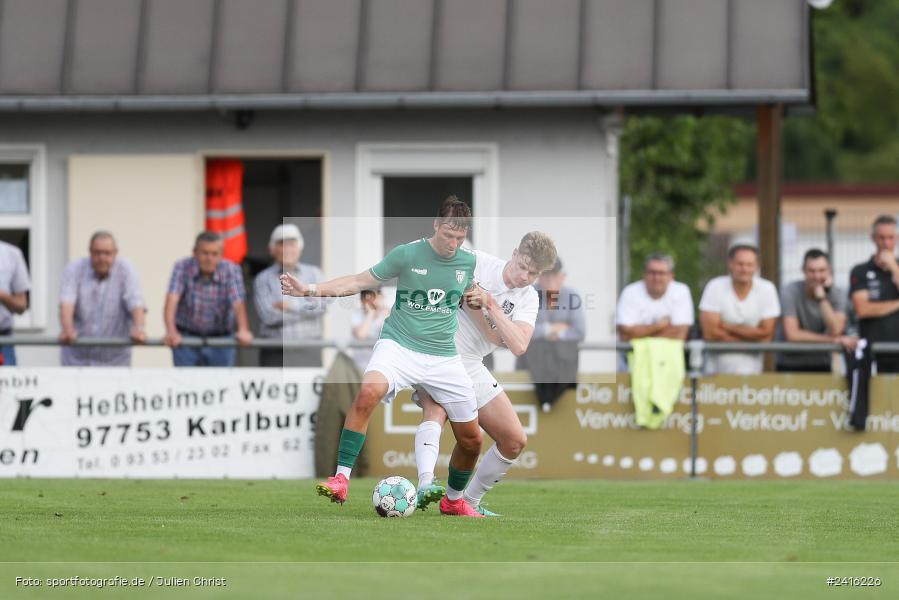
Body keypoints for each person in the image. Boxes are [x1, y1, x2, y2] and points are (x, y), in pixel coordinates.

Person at [281, 196, 485, 517]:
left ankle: (453, 501)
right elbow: (357, 281)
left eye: (459, 238)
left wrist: (478, 299)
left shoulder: (467, 262)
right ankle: (341, 479)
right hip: (399, 345)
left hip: (444, 356)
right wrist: (308, 289)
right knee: (368, 392)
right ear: (435, 225)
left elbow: (467, 293)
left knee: (472, 440)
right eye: (448, 235)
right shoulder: (407, 254)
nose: (453, 244)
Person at [411, 232, 558, 517]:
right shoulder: (476, 262)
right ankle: (425, 485)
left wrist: (490, 303)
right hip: (438, 351)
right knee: (437, 409)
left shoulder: (529, 298)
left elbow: (519, 345)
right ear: (514, 253)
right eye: (522, 266)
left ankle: (468, 501)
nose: (524, 276)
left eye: (533, 273)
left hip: (471, 363)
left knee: (514, 440)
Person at [163, 231, 253, 366]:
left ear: (221, 255)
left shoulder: (231, 269)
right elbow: (172, 299)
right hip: (186, 339)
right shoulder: (181, 267)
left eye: (214, 254)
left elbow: (238, 301)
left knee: (221, 379)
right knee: (185, 379)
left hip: (221, 339)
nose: (209, 259)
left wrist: (243, 329)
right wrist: (171, 331)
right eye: (205, 253)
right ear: (194, 253)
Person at [58, 231, 147, 366]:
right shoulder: (74, 269)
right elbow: (66, 302)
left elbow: (136, 301)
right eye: (97, 253)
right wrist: (67, 329)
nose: (102, 258)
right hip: (78, 360)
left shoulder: (126, 270)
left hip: (115, 362)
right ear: (90, 252)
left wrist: (138, 328)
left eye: (107, 253)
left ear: (115, 253)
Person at [516, 257, 585, 412]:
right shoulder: (528, 293)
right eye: (546, 275)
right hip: (531, 365)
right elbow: (520, 329)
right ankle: (545, 397)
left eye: (554, 275)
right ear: (539, 276)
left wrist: (558, 335)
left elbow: (580, 332)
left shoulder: (572, 295)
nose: (550, 280)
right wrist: (550, 329)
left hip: (561, 364)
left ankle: (550, 397)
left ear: (562, 277)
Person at [699, 244, 781, 374]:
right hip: (714, 371)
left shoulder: (767, 289)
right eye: (740, 264)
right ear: (730, 264)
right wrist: (752, 337)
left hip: (753, 371)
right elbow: (710, 334)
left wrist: (728, 327)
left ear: (757, 266)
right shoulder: (715, 286)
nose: (745, 269)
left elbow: (766, 336)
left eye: (749, 264)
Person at [254, 224, 328, 367]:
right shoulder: (262, 279)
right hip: (275, 352)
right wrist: (308, 309)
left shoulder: (315, 274)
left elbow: (322, 306)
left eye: (291, 244)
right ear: (272, 249)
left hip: (309, 350)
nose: (287, 249)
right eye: (282, 244)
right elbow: (268, 316)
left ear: (300, 248)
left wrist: (289, 306)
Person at [777, 248, 855, 372]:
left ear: (829, 271)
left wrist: (822, 298)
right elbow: (792, 335)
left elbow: (836, 330)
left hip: (822, 362)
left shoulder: (838, 294)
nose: (817, 276)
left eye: (821, 270)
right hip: (789, 363)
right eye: (811, 271)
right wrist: (831, 340)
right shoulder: (790, 291)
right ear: (803, 270)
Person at [849, 215, 899, 373]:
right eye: (881, 238)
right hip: (871, 350)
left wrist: (894, 268)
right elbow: (862, 309)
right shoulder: (860, 270)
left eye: (890, 237)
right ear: (873, 238)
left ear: (897, 238)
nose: (886, 243)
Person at [617, 252, 694, 343]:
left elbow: (680, 334)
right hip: (634, 352)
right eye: (652, 272)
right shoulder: (630, 291)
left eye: (661, 273)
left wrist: (638, 334)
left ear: (671, 276)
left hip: (668, 352)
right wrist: (660, 325)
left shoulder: (681, 291)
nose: (657, 278)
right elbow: (625, 335)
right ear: (644, 274)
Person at [0, 239, 30, 365]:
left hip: (3, 340)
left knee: (7, 378)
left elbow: (22, 305)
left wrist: (3, 296)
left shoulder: (12, 254)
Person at [350, 288, 388, 368]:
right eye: (366, 298)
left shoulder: (387, 315)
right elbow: (361, 335)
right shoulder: (357, 314)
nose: (371, 301)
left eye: (374, 297)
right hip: (360, 366)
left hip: (380, 365)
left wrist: (384, 313)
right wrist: (371, 313)